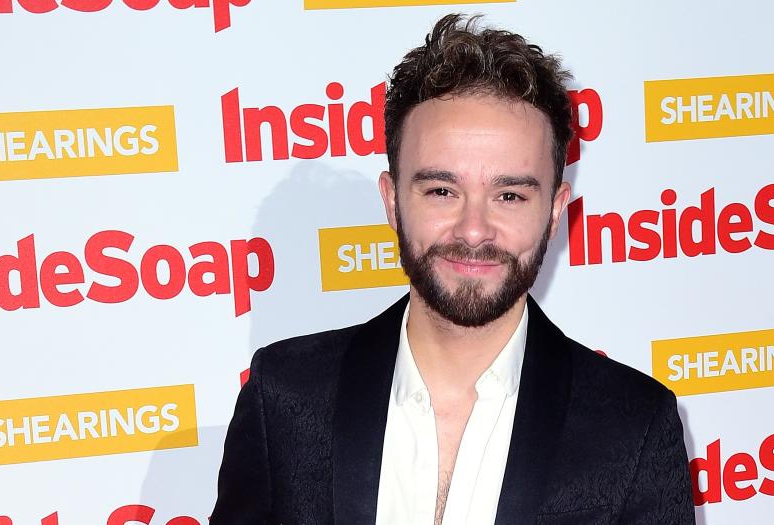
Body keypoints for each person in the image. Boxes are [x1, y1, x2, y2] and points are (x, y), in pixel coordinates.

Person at [211, 13, 694, 525]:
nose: (473, 230)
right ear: (393, 201)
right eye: (442, 190)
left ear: (554, 213)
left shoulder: (634, 425)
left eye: (509, 195)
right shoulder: (284, 396)